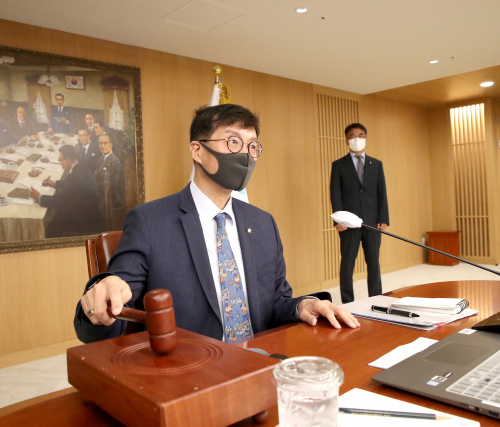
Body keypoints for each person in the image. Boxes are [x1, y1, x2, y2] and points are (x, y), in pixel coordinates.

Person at [74, 104, 360, 344]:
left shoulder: (263, 223)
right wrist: (102, 298)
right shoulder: (149, 222)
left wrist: (303, 305)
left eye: (252, 146)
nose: (245, 154)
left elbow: (275, 302)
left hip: (259, 365)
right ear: (197, 151)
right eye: (233, 142)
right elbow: (114, 305)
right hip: (190, 372)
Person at [330, 123, 389, 303]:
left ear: (366, 139)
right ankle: (348, 302)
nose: (357, 139)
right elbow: (335, 194)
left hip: (373, 222)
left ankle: (376, 299)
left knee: (374, 264)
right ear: (346, 140)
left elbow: (382, 192)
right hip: (348, 224)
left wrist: (384, 218)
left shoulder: (376, 164)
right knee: (347, 265)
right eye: (352, 136)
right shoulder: (339, 165)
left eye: (361, 135)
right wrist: (338, 220)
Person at [30, 145, 104, 238]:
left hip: (86, 219)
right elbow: (71, 185)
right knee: (56, 216)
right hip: (90, 211)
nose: (60, 163)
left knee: (52, 226)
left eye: (60, 160)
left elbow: (60, 200)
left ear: (68, 159)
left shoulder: (75, 176)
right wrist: (54, 184)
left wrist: (39, 197)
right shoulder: (80, 168)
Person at [93, 134, 122, 208]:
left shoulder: (114, 162)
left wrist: (93, 186)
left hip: (109, 201)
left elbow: (111, 185)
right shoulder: (102, 158)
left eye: (105, 143)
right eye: (100, 143)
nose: (102, 146)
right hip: (100, 197)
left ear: (111, 145)